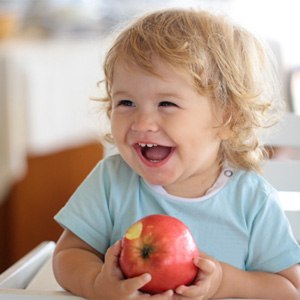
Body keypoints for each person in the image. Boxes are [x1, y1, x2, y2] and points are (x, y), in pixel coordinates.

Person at [52, 8, 300, 300]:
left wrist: (223, 283)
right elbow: (69, 254)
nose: (142, 123)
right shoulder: (111, 181)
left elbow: (290, 288)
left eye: (167, 103)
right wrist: (97, 283)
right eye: (126, 102)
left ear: (226, 118)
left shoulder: (252, 200)